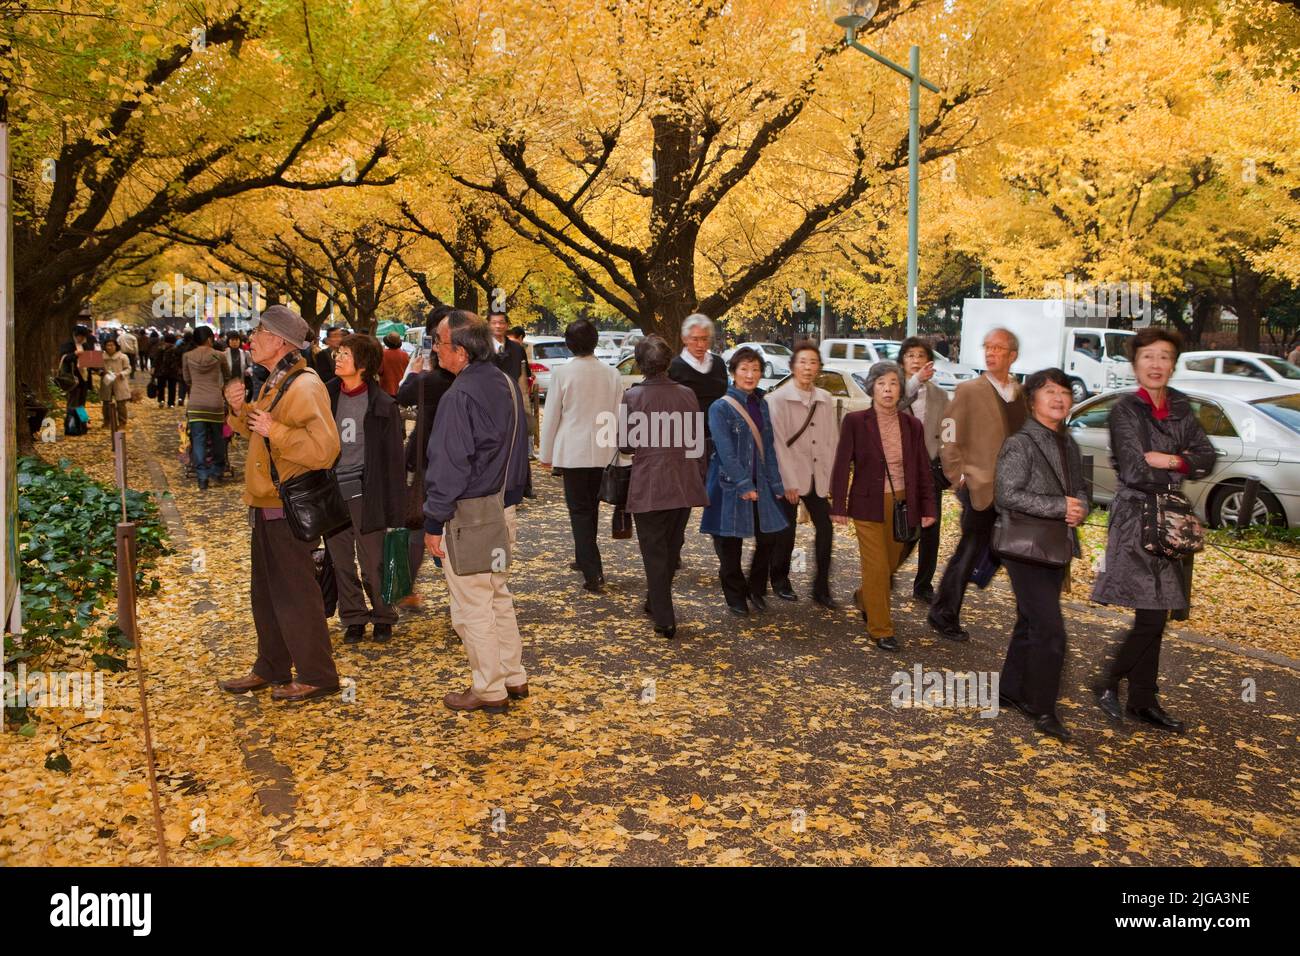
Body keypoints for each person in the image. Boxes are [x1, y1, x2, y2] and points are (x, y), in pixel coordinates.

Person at [1091, 328, 1215, 733]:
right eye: (1148, 357)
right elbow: (1134, 467)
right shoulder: (1125, 410)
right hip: (1136, 519)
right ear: (1135, 364)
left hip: (1171, 521)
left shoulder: (1180, 406)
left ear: (1174, 363)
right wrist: (1178, 460)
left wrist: (1171, 460)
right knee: (1151, 616)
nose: (1156, 364)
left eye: (1164, 356)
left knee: (1157, 614)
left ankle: (1142, 699)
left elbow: (1206, 457)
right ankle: (1109, 681)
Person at [219, 305, 341, 702]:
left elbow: (325, 449)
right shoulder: (277, 379)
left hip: (285, 507)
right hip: (266, 504)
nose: (251, 339)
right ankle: (271, 666)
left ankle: (318, 675)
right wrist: (240, 410)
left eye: (258, 333)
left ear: (278, 341)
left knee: (296, 595)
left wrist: (278, 431)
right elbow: (258, 431)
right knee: (267, 593)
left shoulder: (303, 384)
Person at [423, 310, 531, 714]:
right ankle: (512, 675)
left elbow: (449, 465)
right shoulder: (503, 382)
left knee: (472, 604)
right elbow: (522, 446)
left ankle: (489, 688)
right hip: (503, 506)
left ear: (462, 352)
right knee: (497, 595)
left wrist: (434, 520)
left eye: (440, 342)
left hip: (469, 514)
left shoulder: (460, 396)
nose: (436, 349)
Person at [994, 368, 1091, 741]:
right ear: (1032, 399)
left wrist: (1080, 507)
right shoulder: (1020, 443)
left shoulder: (1069, 443)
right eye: (1049, 392)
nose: (1059, 398)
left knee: (1030, 621)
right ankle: (1043, 707)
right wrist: (1058, 506)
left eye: (1064, 392)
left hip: (1056, 547)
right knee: (1051, 631)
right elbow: (1007, 494)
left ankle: (1010, 689)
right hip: (1024, 548)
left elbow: (1080, 489)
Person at [928, 327, 1028, 641]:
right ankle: (943, 613)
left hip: (1014, 489)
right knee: (969, 549)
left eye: (999, 348)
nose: (991, 352)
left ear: (1013, 355)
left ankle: (1029, 620)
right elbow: (947, 430)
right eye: (988, 347)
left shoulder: (1020, 393)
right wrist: (955, 472)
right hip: (979, 486)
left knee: (1012, 553)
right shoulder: (970, 390)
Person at [830, 361, 937, 650]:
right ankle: (880, 629)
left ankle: (865, 597)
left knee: (888, 566)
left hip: (902, 504)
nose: (887, 389)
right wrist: (838, 504)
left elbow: (923, 470)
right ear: (872, 388)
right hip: (867, 504)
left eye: (893, 383)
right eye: (881, 384)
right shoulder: (855, 422)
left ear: (901, 389)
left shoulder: (912, 426)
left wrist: (928, 508)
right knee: (877, 568)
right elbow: (842, 465)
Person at [620, 335, 708, 638]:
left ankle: (665, 617)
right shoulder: (687, 394)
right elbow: (696, 442)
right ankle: (654, 600)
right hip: (683, 481)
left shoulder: (632, 397)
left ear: (640, 363)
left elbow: (625, 444)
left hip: (650, 482)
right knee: (671, 548)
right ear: (667, 362)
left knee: (655, 551)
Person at [325, 333, 406, 644]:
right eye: (338, 353)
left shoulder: (382, 405)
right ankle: (353, 617)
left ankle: (384, 616)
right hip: (332, 492)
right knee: (340, 559)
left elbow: (393, 463)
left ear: (363, 363)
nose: (338, 358)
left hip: (366, 492)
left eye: (345, 354)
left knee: (374, 561)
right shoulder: (326, 395)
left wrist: (394, 509)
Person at [699, 347, 788, 617]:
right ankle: (735, 594)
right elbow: (725, 451)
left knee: (770, 536)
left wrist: (775, 484)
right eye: (744, 369)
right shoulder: (720, 407)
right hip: (728, 485)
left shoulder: (761, 403)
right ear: (733, 372)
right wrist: (743, 485)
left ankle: (755, 587)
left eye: (755, 369)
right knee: (729, 544)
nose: (750, 375)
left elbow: (768, 448)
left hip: (760, 481)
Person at [538, 319, 624, 592]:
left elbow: (552, 415)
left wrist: (546, 453)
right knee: (591, 507)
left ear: (569, 343)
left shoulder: (564, 373)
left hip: (573, 451)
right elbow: (618, 414)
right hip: (603, 448)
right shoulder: (612, 374)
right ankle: (583, 556)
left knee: (578, 510)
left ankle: (591, 570)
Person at [766, 341, 838, 609]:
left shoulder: (825, 399)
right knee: (786, 531)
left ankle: (821, 586)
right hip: (790, 476)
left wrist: (829, 478)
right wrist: (788, 482)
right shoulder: (778, 399)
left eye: (813, 363)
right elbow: (777, 443)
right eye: (803, 362)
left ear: (819, 367)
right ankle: (780, 580)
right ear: (793, 366)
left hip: (816, 475)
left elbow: (831, 439)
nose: (808, 368)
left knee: (826, 528)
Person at [396, 306, 456, 612]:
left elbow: (403, 394)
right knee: (444, 527)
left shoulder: (431, 381)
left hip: (422, 459)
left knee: (418, 525)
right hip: (449, 461)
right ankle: (457, 593)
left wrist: (414, 372)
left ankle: (406, 590)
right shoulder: (462, 381)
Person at [897, 336, 951, 603]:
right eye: (910, 356)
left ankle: (924, 584)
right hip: (899, 470)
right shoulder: (894, 389)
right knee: (904, 526)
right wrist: (915, 381)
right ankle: (887, 572)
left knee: (932, 529)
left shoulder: (941, 395)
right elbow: (894, 407)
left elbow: (948, 433)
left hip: (929, 469)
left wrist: (949, 467)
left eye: (920, 355)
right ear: (902, 361)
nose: (916, 360)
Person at [669, 313, 728, 477]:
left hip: (717, 438)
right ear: (684, 339)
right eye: (695, 339)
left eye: (704, 339)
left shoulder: (718, 364)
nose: (700, 344)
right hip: (687, 442)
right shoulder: (674, 367)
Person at [183, 326, 235, 490]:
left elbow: (187, 379)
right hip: (215, 402)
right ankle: (217, 471)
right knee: (218, 438)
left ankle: (202, 477)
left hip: (196, 402)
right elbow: (227, 375)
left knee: (198, 440)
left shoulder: (187, 356)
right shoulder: (218, 355)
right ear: (209, 339)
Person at [99, 337, 132, 429]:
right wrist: (102, 373)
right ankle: (107, 422)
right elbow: (98, 369)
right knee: (106, 403)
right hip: (106, 382)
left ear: (116, 346)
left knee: (121, 403)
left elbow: (128, 368)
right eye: (108, 345)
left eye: (112, 345)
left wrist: (121, 374)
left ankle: (122, 422)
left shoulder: (123, 357)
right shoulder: (102, 357)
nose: (110, 347)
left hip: (119, 382)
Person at [151, 332, 182, 407]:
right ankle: (171, 403)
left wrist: (153, 368)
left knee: (161, 386)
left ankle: (161, 400)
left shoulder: (161, 348)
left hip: (161, 370)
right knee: (172, 387)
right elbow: (179, 360)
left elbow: (156, 360)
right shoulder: (176, 349)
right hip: (173, 370)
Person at [379, 332, 410, 396]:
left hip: (386, 389)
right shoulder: (405, 355)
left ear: (387, 343)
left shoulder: (383, 354)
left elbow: (380, 371)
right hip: (401, 388)